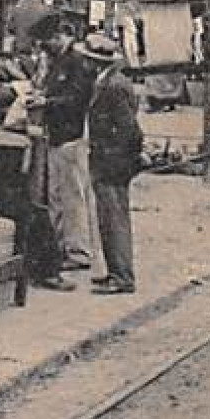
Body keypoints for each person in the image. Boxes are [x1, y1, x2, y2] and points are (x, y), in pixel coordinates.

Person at [33, 18, 102, 281]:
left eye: (48, 42)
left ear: (59, 36)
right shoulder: (59, 60)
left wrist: (46, 102)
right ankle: (62, 247)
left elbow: (76, 100)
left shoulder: (77, 62)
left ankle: (79, 252)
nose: (45, 48)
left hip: (71, 136)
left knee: (73, 197)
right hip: (57, 136)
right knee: (57, 196)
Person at [82, 34, 143, 295]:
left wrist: (114, 156)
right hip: (111, 160)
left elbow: (130, 129)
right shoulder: (108, 81)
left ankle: (122, 277)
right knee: (109, 219)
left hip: (112, 162)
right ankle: (116, 272)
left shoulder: (113, 86)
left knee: (113, 218)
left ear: (95, 62)